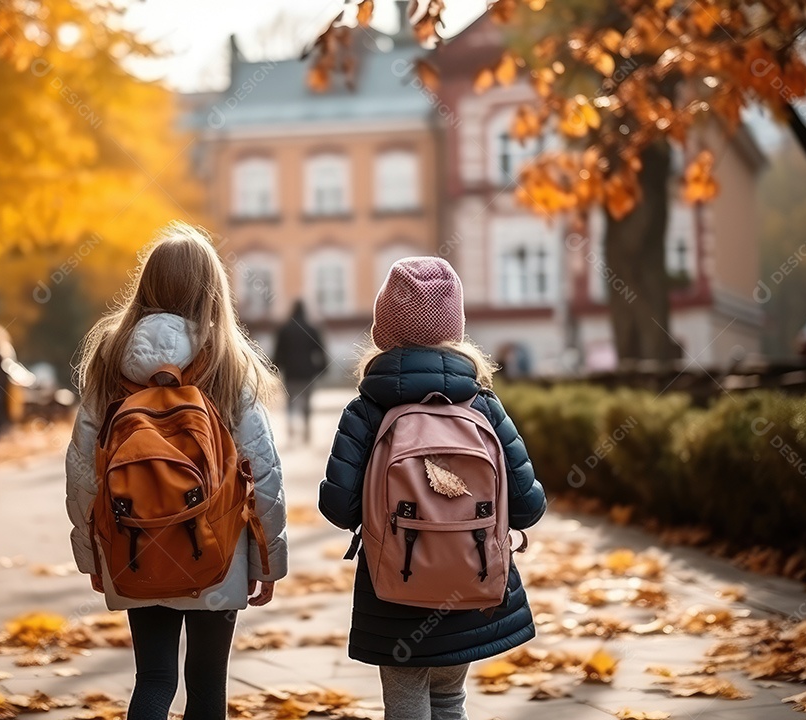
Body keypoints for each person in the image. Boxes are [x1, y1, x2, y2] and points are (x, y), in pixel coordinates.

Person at [65, 222, 288, 720]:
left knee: (155, 679)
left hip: (134, 546)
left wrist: (94, 556)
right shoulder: (228, 363)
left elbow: (83, 471)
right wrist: (269, 562)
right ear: (214, 291)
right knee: (208, 690)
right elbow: (264, 474)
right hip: (216, 548)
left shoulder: (109, 360)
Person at [319, 257, 547, 720]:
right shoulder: (483, 405)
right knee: (449, 701)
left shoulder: (366, 409)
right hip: (470, 585)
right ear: (456, 330)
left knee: (405, 709)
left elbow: (340, 508)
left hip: (394, 590)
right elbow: (527, 507)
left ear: (384, 329)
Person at [272, 300, 327, 443]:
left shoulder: (284, 329)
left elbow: (278, 353)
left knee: (290, 401)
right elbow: (320, 351)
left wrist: (275, 368)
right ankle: (306, 431)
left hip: (290, 373)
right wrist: (321, 369)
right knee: (307, 403)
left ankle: (291, 430)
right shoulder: (311, 329)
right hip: (307, 373)